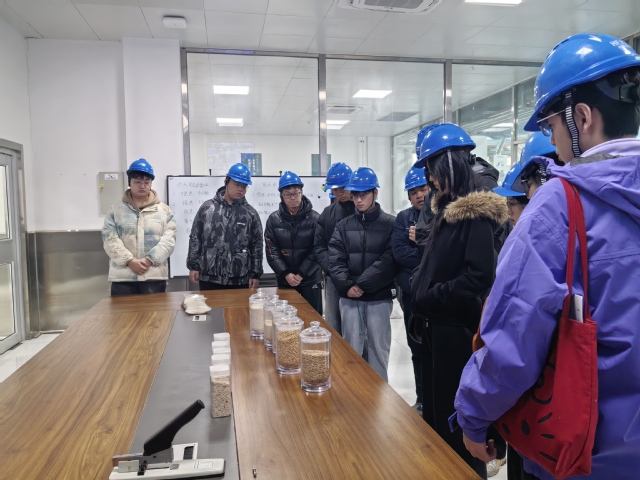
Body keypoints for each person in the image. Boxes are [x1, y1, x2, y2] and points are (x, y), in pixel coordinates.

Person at [455, 33, 640, 480]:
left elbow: (514, 337)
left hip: (585, 456)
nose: (554, 144)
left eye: (552, 127)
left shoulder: (560, 205)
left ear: (582, 117)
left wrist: (473, 414)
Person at [411, 124, 508, 479]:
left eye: (433, 170)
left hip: (456, 331)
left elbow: (479, 275)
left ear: (449, 164)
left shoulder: (475, 213)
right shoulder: (446, 210)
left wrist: (434, 295)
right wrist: (419, 285)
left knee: (455, 421)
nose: (430, 180)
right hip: (436, 327)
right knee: (436, 418)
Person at [328, 167, 396, 381]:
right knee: (351, 351)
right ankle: (353, 395)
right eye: (355, 195)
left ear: (375, 193)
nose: (358, 200)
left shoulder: (391, 224)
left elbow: (390, 260)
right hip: (350, 298)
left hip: (378, 297)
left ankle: (379, 395)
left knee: (378, 351)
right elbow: (335, 259)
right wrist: (347, 286)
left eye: (363, 194)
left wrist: (362, 284)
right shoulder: (343, 226)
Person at [102, 159, 176, 296]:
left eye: (146, 182)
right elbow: (109, 239)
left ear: (151, 183)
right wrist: (129, 261)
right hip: (123, 277)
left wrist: (150, 260)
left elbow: (169, 240)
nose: (142, 186)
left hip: (153, 276)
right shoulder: (116, 210)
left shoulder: (164, 211)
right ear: (129, 183)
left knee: (154, 311)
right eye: (137, 182)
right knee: (122, 311)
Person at [187, 163, 263, 290]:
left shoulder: (250, 214)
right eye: (237, 184)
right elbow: (196, 237)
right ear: (226, 181)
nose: (241, 189)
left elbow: (257, 245)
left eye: (244, 186)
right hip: (209, 276)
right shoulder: (207, 208)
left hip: (240, 278)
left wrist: (255, 273)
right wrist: (194, 266)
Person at [391, 167, 429, 413]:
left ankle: (436, 400)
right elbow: (399, 253)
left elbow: (445, 253)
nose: (419, 195)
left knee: (435, 350)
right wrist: (426, 255)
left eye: (423, 189)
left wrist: (422, 243)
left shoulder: (441, 215)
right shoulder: (403, 219)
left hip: (435, 295)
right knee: (415, 348)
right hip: (411, 294)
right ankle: (421, 399)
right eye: (414, 192)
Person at [265, 171, 322, 314]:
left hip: (310, 279)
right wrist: (286, 273)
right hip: (285, 280)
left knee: (313, 317)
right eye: (288, 194)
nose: (292, 198)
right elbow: (271, 250)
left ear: (301, 193)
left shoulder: (316, 219)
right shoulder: (273, 220)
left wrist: (302, 273)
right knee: (285, 320)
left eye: (296, 193)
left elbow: (318, 249)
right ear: (281, 196)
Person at [314, 162, 355, 333]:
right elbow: (319, 246)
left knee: (357, 327)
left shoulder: (363, 210)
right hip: (333, 278)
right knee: (333, 322)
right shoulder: (327, 214)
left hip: (358, 278)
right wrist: (331, 269)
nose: (339, 193)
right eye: (335, 189)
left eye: (343, 188)